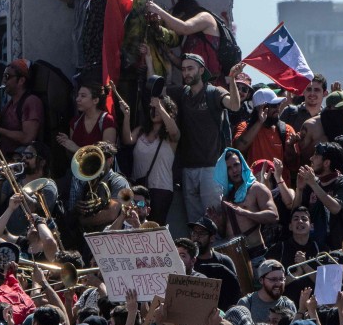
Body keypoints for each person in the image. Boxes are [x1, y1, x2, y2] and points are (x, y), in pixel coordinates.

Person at [170, 54, 243, 223]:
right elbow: (157, 87)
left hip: (211, 170)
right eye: (183, 69)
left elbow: (234, 105)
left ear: (201, 70)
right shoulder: (183, 93)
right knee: (195, 224)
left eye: (190, 68)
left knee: (215, 222)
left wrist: (232, 80)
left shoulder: (214, 92)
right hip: (188, 170)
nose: (186, 73)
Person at [209, 148, 278, 269]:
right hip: (234, 258)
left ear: (243, 164)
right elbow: (224, 233)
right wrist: (217, 223)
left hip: (256, 255)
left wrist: (245, 212)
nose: (234, 170)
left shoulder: (257, 189)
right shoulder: (226, 197)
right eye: (229, 168)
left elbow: (274, 216)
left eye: (236, 165)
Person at [119, 94, 179, 225]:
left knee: (155, 227)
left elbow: (174, 132)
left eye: (159, 108)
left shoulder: (170, 136)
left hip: (161, 190)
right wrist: (126, 116)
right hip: (140, 188)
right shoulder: (142, 130)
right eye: (152, 108)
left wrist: (159, 106)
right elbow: (127, 140)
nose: (155, 111)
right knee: (137, 224)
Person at [285, 142, 343, 251]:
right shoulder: (312, 183)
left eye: (316, 156)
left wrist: (313, 184)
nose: (311, 158)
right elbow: (296, 212)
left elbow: (335, 208)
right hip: (313, 247)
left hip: (337, 248)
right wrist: (299, 189)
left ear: (326, 163)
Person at [148, 0, 225, 81]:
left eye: (177, 19)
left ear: (183, 14)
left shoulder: (206, 17)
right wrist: (170, 54)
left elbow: (184, 28)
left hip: (212, 86)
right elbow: (186, 65)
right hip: (194, 89)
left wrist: (157, 10)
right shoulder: (191, 37)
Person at [0, 60, 44, 157]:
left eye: (7, 76)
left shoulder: (31, 101)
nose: (3, 81)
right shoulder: (9, 104)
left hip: (22, 162)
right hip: (7, 159)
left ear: (21, 81)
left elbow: (28, 138)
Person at [233, 88, 297, 166]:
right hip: (254, 178)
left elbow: (294, 165)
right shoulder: (244, 127)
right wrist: (260, 122)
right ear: (260, 108)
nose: (278, 108)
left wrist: (290, 146)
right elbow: (238, 148)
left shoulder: (286, 129)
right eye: (273, 105)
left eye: (278, 104)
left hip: (279, 178)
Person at [55, 84, 116, 153]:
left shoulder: (107, 120)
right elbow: (74, 156)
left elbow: (108, 155)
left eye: (83, 96)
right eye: (78, 95)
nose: (77, 99)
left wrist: (78, 149)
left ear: (95, 100)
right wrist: (67, 142)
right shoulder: (75, 122)